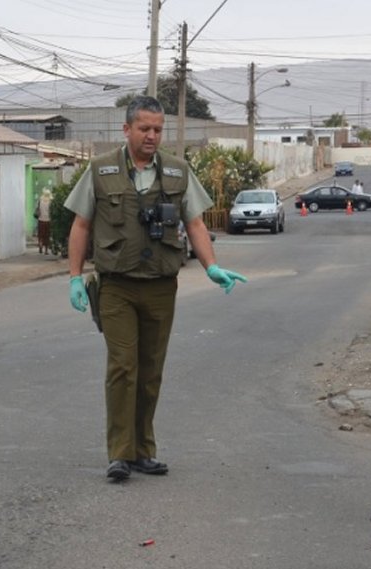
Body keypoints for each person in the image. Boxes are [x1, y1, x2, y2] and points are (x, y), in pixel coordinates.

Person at [65, 96, 247, 482]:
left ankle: (143, 450)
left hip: (161, 287)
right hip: (116, 286)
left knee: (150, 372)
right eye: (144, 128)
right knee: (122, 367)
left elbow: (195, 224)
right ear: (126, 129)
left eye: (157, 130)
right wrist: (74, 276)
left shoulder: (178, 172)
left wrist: (211, 266)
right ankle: (120, 454)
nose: (151, 136)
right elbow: (81, 225)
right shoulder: (100, 170)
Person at [35, 187, 52, 254]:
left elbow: (38, 209)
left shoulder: (40, 201)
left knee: (40, 234)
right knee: (47, 235)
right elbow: (51, 211)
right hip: (48, 220)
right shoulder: (50, 202)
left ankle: (40, 245)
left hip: (40, 220)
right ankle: (46, 250)